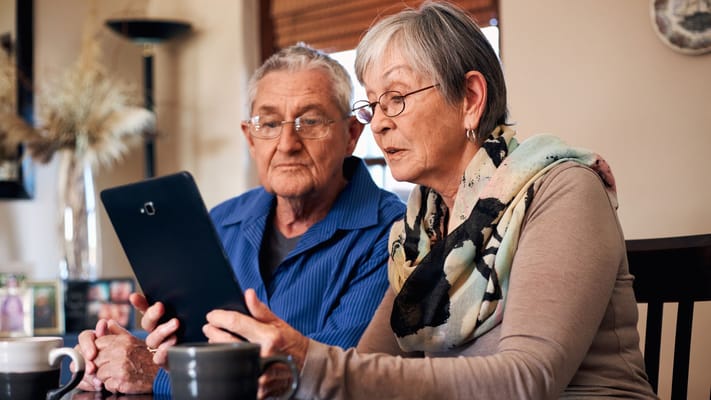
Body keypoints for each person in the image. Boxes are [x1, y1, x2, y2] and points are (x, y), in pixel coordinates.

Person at [166, 2, 658, 399]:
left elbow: (526, 381)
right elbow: (369, 366)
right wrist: (281, 367)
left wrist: (312, 362)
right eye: (373, 103)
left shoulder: (562, 189)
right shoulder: (418, 230)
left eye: (396, 98)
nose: (378, 123)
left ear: (469, 97)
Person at [74, 44, 405, 396]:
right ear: (250, 137)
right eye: (270, 123)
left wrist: (155, 375)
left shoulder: (395, 234)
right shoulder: (221, 222)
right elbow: (184, 346)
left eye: (310, 121)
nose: (287, 143)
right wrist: (115, 357)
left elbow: (331, 381)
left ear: (351, 135)